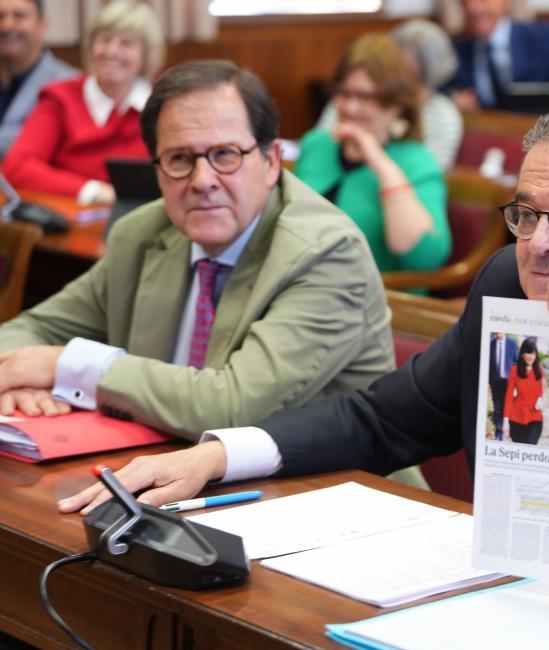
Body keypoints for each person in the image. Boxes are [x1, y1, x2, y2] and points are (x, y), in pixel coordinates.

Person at [61, 103, 549, 589]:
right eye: (527, 214)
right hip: (528, 578)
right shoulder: (509, 278)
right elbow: (386, 418)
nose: (541, 244)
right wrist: (217, 455)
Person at [0, 60, 400, 448]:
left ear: (271, 161)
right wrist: (17, 383)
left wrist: (66, 366)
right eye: (179, 159)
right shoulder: (141, 235)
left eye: (225, 154)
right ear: (157, 170)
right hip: (166, 467)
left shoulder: (327, 253)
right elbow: (26, 332)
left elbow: (232, 410)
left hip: (329, 484)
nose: (202, 181)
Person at [295, 33, 452, 275]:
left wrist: (379, 161)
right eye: (344, 93)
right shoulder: (317, 144)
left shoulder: (418, 162)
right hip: (303, 283)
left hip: (378, 294)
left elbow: (425, 258)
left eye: (366, 97)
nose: (350, 107)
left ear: (396, 105)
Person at [2, 0, 162, 203]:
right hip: (71, 216)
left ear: (146, 55)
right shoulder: (60, 97)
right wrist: (95, 191)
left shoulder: (163, 105)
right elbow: (18, 166)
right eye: (104, 40)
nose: (111, 51)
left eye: (126, 43)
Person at [320, 19, 463, 172]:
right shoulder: (348, 98)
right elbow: (323, 146)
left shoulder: (443, 113)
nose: (351, 107)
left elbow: (433, 171)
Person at [449, 0, 549, 113]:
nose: (473, 8)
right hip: (489, 133)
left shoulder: (542, 37)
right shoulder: (460, 48)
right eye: (465, 2)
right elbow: (444, 88)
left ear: (505, 2)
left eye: (482, 0)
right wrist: (456, 99)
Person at [0, 0, 77, 158]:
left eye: (19, 16)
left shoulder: (70, 84)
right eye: (0, 17)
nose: (7, 25)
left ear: (42, 26)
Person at [504, 336, 544, 444]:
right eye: (528, 353)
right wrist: (506, 420)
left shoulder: (539, 371)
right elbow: (509, 396)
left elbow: (540, 391)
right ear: (522, 354)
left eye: (533, 354)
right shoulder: (514, 370)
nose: (531, 357)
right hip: (517, 418)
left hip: (535, 417)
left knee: (531, 444)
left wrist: (540, 399)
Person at [488, 331, 518, 440]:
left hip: (508, 382)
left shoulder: (511, 343)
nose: (497, 333)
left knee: (508, 407)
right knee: (497, 408)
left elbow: (516, 362)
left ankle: (510, 431)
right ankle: (498, 434)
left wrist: (516, 384)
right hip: (495, 381)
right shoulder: (491, 344)